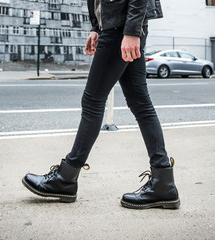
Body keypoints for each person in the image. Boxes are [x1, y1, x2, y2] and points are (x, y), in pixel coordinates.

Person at [22, 0, 180, 209]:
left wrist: (131, 31)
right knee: (140, 103)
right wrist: (97, 27)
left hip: (121, 28)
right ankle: (164, 184)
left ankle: (65, 178)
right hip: (119, 26)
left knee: (93, 100)